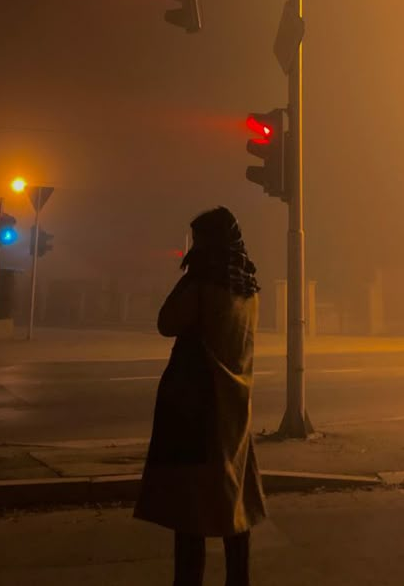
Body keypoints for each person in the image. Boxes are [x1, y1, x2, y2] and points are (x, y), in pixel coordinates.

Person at [134, 206, 267, 586]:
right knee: (234, 503)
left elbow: (166, 322)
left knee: (189, 511)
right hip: (235, 408)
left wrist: (190, 273)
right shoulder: (249, 289)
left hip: (197, 410)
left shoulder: (203, 283)